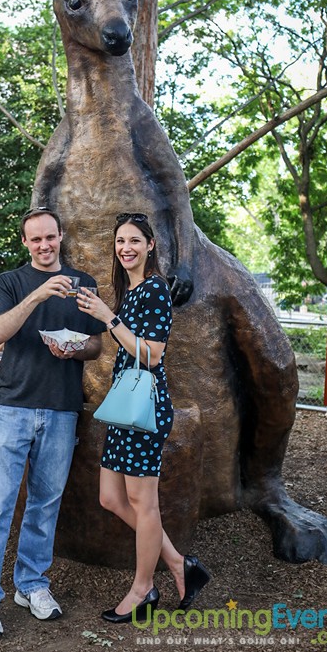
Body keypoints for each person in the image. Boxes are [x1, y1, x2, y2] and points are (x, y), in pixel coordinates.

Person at [0, 207, 105, 640]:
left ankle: (31, 585)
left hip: (62, 409)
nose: (44, 245)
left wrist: (76, 348)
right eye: (36, 239)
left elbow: (97, 345)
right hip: (15, 407)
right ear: (25, 243)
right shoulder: (10, 283)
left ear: (61, 236)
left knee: (45, 505)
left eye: (50, 237)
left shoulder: (84, 284)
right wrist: (41, 295)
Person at [76, 213, 210, 623]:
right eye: (120, 241)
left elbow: (152, 354)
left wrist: (107, 317)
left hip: (144, 409)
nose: (126, 248)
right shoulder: (132, 289)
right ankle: (177, 563)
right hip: (125, 407)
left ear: (150, 246)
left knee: (143, 503)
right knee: (111, 498)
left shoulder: (153, 290)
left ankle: (143, 589)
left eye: (135, 240)